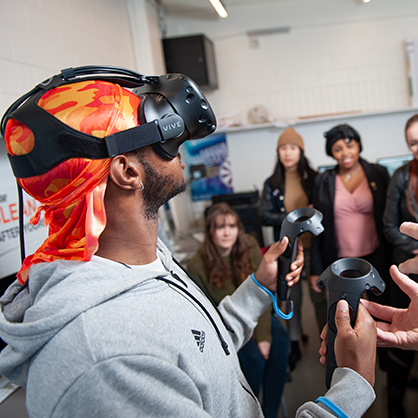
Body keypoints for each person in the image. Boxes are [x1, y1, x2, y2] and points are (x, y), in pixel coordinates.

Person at [0, 67, 376, 418]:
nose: (176, 142)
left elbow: (201, 350)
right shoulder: (105, 362)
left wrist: (259, 285)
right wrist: (351, 389)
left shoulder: (138, 263)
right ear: (127, 171)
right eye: (155, 128)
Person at [187, 203, 289, 418]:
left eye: (232, 226)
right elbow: (207, 311)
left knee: (279, 344)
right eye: (220, 227)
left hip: (258, 313)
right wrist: (249, 336)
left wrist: (262, 337)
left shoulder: (249, 244)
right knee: (253, 359)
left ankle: (269, 412)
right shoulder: (197, 264)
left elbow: (261, 293)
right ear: (210, 231)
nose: (227, 232)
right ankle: (247, 411)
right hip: (225, 323)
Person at [259, 127, 327, 369]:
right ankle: (295, 343)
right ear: (278, 152)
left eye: (292, 147)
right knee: (292, 298)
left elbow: (325, 212)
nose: (287, 153)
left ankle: (326, 340)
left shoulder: (315, 178)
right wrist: (290, 218)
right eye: (283, 148)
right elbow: (263, 215)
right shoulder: (272, 183)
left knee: (318, 296)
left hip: (314, 249)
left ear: (301, 151)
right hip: (289, 250)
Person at [310, 123, 391, 302]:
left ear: (358, 146)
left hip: (377, 257)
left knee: (383, 309)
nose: (345, 153)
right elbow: (317, 227)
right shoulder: (323, 182)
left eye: (350, 146)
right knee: (347, 315)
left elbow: (391, 215)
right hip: (340, 262)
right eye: (338, 149)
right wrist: (315, 269)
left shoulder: (379, 173)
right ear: (331, 153)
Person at [382, 114, 418, 418]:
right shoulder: (401, 177)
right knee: (402, 337)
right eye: (413, 142)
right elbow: (390, 228)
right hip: (407, 271)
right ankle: (394, 398)